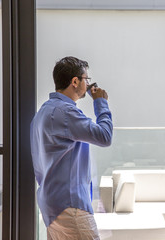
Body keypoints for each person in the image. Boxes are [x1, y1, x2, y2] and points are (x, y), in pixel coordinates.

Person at [30, 56, 113, 240]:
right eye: (86, 79)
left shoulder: (44, 111)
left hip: (52, 205)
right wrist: (100, 102)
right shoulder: (66, 112)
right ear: (75, 81)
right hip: (69, 206)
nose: (88, 84)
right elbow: (104, 136)